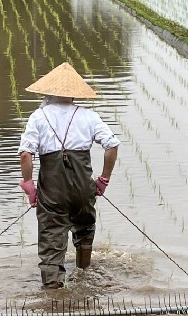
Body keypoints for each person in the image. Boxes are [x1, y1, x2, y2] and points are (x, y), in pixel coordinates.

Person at [18, 62, 120, 289]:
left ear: (49, 91)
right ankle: (84, 273)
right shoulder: (89, 116)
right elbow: (112, 146)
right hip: (83, 188)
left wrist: (29, 186)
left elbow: (26, 155)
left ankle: (54, 294)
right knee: (85, 228)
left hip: (53, 191)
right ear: (75, 94)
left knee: (52, 237)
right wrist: (103, 180)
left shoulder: (38, 117)